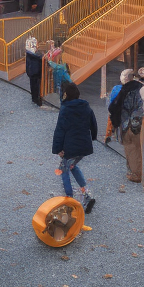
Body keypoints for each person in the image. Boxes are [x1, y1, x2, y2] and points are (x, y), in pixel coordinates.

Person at [52, 80, 97, 212]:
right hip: (84, 146)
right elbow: (93, 124)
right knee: (72, 166)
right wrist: (92, 137)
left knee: (64, 169)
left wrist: (57, 149)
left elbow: (60, 130)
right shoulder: (86, 107)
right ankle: (86, 193)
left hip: (70, 147)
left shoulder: (66, 110)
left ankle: (69, 199)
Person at [108, 68, 144, 184]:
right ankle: (137, 171)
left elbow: (114, 107)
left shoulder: (123, 91)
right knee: (138, 148)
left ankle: (135, 174)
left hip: (126, 123)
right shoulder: (142, 89)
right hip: (140, 123)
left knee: (130, 148)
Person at [25, 36, 45, 108]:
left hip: (31, 71)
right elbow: (39, 58)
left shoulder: (28, 53)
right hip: (36, 71)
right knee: (36, 86)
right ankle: (36, 99)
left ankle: (34, 98)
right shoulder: (35, 55)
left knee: (33, 85)